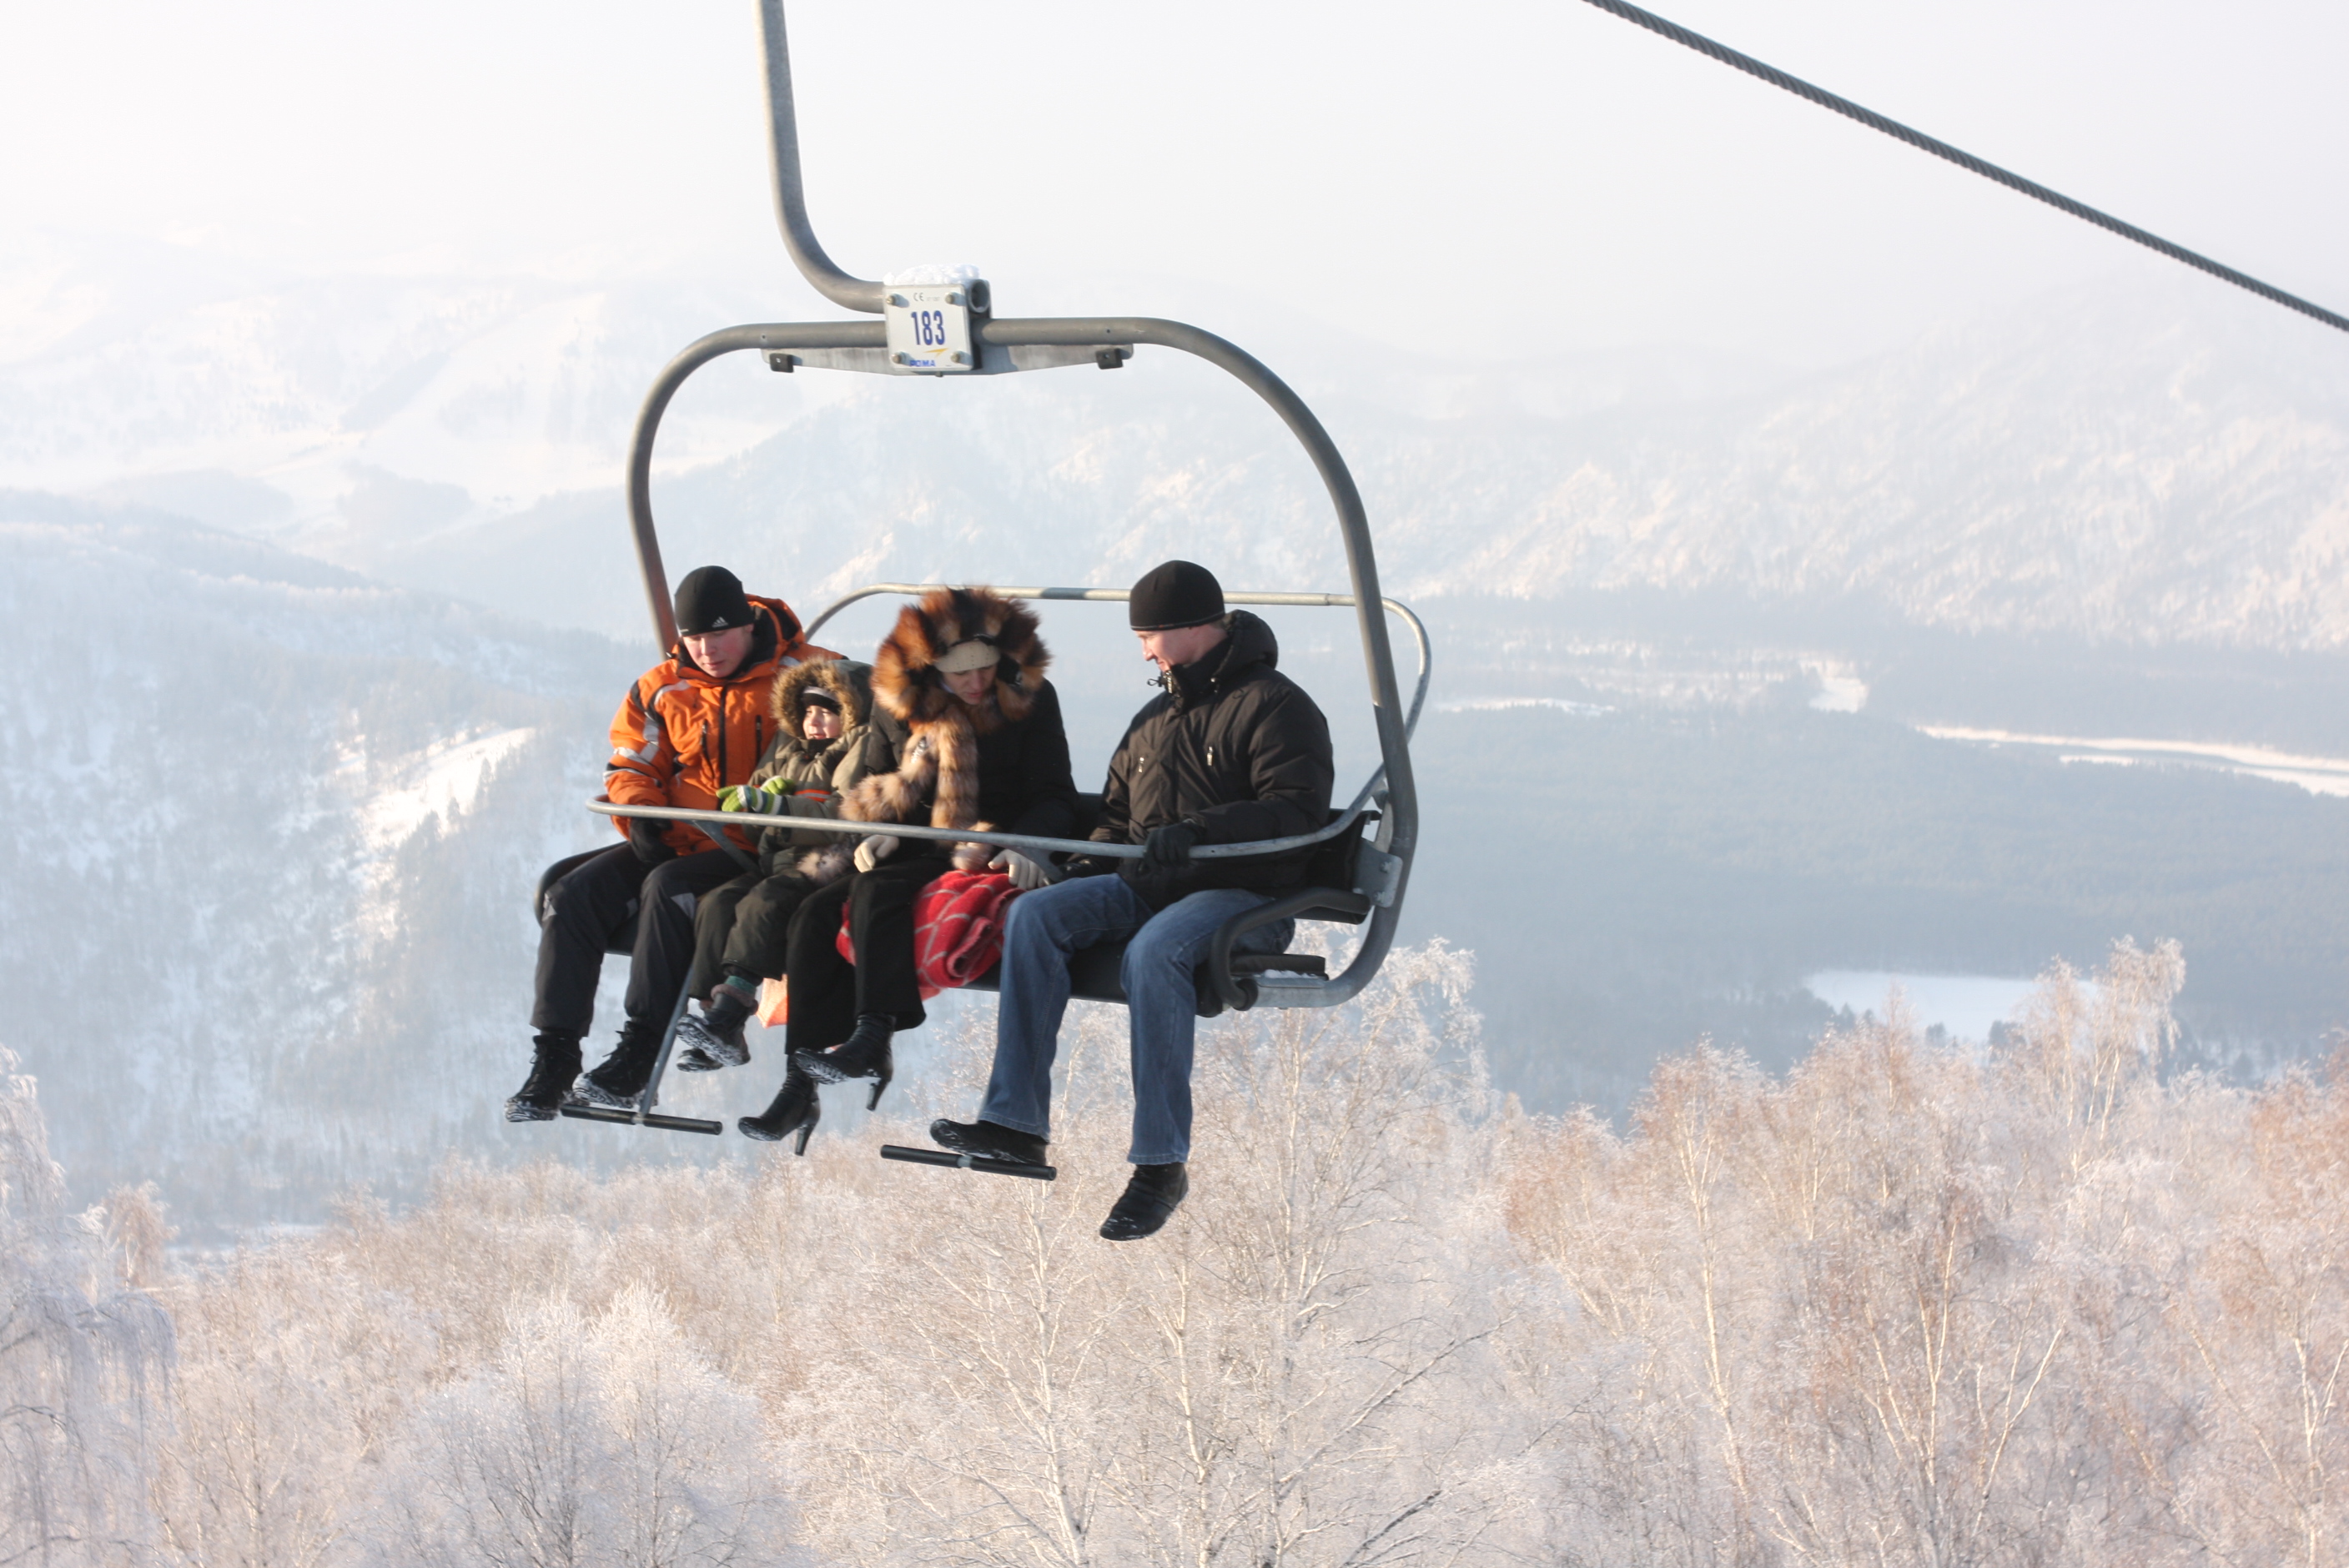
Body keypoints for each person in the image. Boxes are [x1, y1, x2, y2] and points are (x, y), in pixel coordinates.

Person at [931, 560, 1335, 1240]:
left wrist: (1202, 831)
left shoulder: (1277, 707)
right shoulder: (1155, 718)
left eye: (1151, 634)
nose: (1144, 650)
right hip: (1149, 885)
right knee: (1035, 915)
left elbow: (1294, 814)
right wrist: (1080, 868)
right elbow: (1118, 819)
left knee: (1155, 953)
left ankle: (1160, 1163)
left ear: (1192, 628)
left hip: (1243, 897)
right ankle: (1015, 1123)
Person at [747, 586, 1079, 1148]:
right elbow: (871, 779)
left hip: (980, 845)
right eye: (960, 674)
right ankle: (799, 1081)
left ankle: (874, 1034)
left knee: (877, 897)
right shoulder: (896, 705)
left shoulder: (1029, 700)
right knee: (811, 917)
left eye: (985, 669)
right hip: (910, 841)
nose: (976, 684)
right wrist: (879, 827)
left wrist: (1024, 842)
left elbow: (1054, 794)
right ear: (930, 669)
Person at [505, 565, 838, 1122]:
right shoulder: (664, 688)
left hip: (759, 849)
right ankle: (554, 1058)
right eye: (694, 638)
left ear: (748, 627)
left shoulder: (806, 677)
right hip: (683, 836)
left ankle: (641, 1049)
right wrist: (641, 814)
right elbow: (634, 758)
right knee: (572, 894)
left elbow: (841, 758)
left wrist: (786, 815)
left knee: (671, 890)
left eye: (719, 635)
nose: (707, 650)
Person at [666, 656, 878, 1078]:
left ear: (849, 714)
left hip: (827, 862)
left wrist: (779, 806)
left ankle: (731, 1009)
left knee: (765, 902)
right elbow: (763, 789)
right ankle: (715, 1017)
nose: (814, 722)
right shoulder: (787, 746)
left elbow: (845, 811)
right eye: (809, 712)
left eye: (827, 712)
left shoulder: (861, 746)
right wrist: (759, 798)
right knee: (719, 902)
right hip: (777, 858)